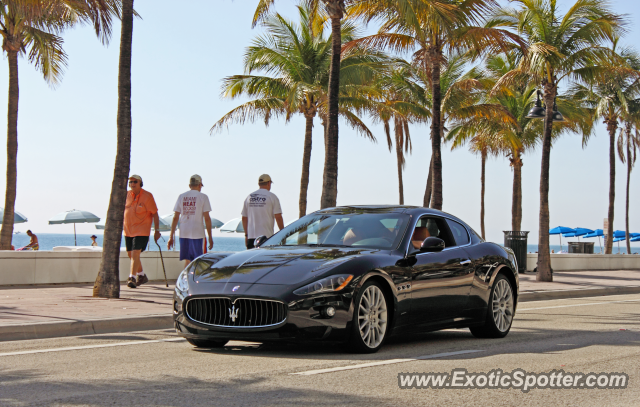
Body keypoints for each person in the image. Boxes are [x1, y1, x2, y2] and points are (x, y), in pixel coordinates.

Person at [168, 174, 214, 268]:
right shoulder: (203, 197)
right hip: (198, 234)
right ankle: (195, 281)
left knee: (187, 260)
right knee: (199, 260)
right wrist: (210, 236)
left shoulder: (181, 196)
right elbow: (207, 218)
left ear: (190, 185)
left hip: (184, 233)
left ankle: (185, 280)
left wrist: (171, 236)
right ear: (199, 185)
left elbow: (175, 217)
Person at [124, 174, 161, 288]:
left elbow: (155, 214)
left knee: (135, 253)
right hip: (128, 230)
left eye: (135, 181)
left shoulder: (148, 196)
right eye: (130, 182)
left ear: (140, 183)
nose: (132, 184)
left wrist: (157, 230)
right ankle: (141, 275)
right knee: (131, 254)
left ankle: (132, 277)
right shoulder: (126, 195)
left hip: (142, 230)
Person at [241, 174, 284, 249]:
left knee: (252, 260)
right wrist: (283, 234)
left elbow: (244, 218)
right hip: (267, 238)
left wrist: (246, 235)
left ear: (259, 184)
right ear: (268, 183)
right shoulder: (272, 197)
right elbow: (278, 217)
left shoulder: (249, 197)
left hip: (251, 238)